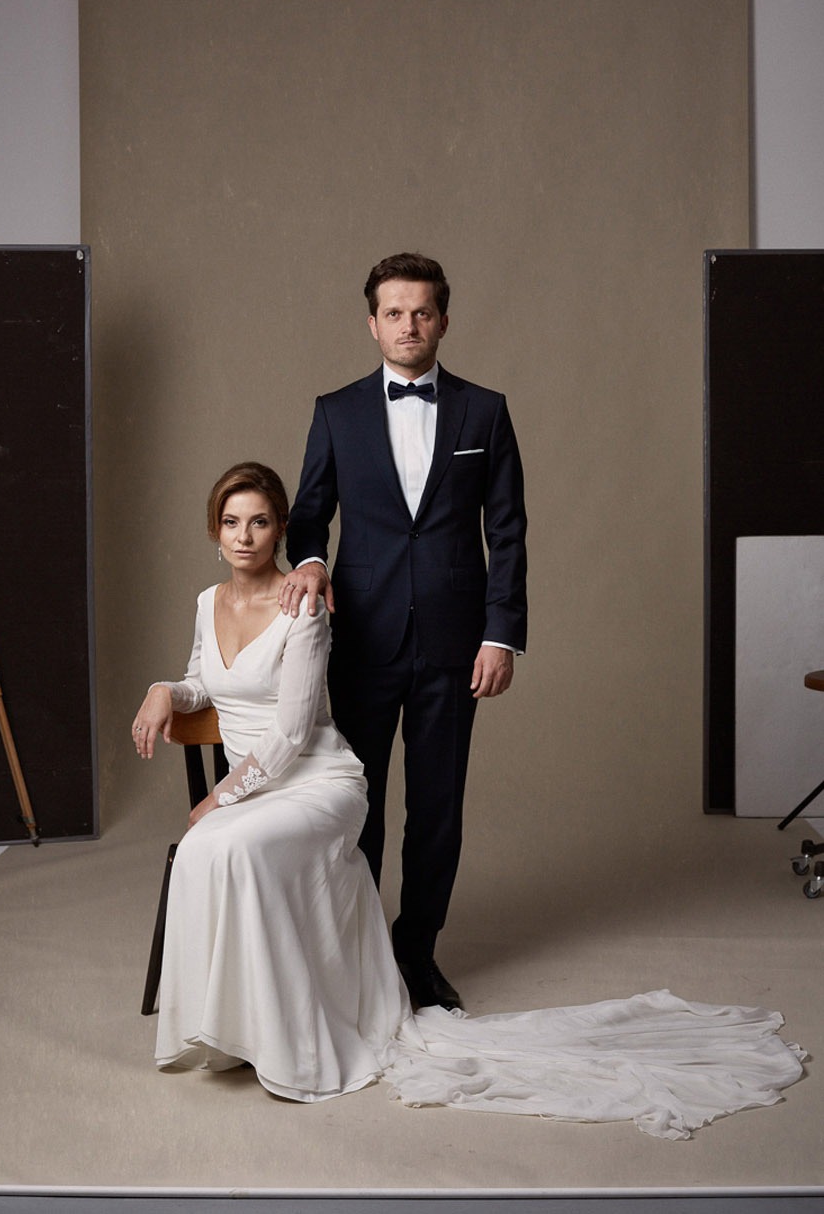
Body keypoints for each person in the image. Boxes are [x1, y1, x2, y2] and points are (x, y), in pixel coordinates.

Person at [132, 462, 804, 1136]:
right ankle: (228, 1030)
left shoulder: (302, 606)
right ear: (214, 531)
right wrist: (167, 690)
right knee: (201, 851)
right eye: (231, 522)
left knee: (227, 844)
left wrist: (223, 794)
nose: (244, 536)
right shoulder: (206, 603)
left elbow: (291, 732)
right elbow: (202, 681)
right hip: (254, 791)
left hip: (314, 783)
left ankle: (289, 1039)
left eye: (258, 522)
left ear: (282, 528)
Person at [281, 253, 527, 1011]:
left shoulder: (485, 412)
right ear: (373, 324)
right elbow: (307, 516)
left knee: (438, 813)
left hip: (455, 645)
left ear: (443, 321)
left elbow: (508, 531)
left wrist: (501, 634)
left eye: (422, 312)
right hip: (362, 640)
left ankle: (416, 956)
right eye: (394, 312)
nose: (409, 325)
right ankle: (352, 957)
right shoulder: (336, 411)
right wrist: (312, 563)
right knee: (355, 805)